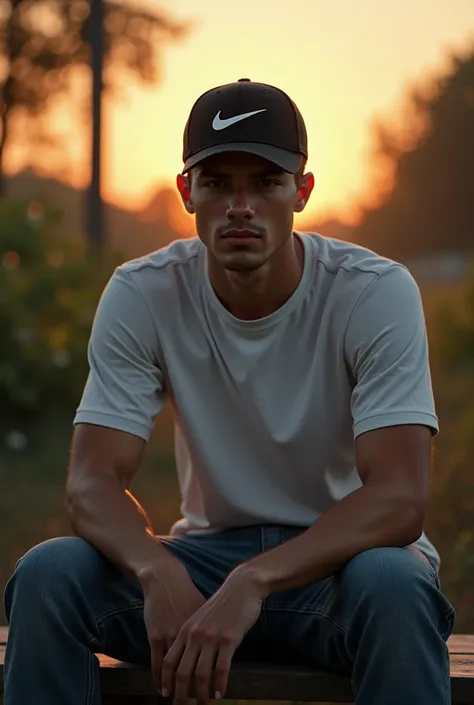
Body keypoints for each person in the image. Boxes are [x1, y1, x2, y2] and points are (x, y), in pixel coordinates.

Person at [3, 78, 455, 705]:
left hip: (345, 567)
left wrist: (256, 581)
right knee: (50, 574)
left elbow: (400, 500)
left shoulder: (373, 292)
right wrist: (157, 570)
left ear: (301, 190)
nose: (241, 206)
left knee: (395, 581)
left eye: (266, 183)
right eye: (217, 183)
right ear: (188, 192)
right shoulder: (144, 293)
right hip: (206, 559)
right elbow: (91, 484)